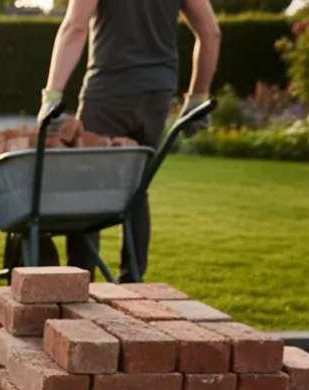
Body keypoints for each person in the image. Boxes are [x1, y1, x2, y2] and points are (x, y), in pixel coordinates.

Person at [41, 0, 220, 283]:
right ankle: (132, 281)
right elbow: (211, 33)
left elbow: (75, 27)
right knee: (137, 186)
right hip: (157, 93)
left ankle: (79, 281)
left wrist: (52, 96)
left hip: (109, 89)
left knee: (85, 182)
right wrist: (197, 97)